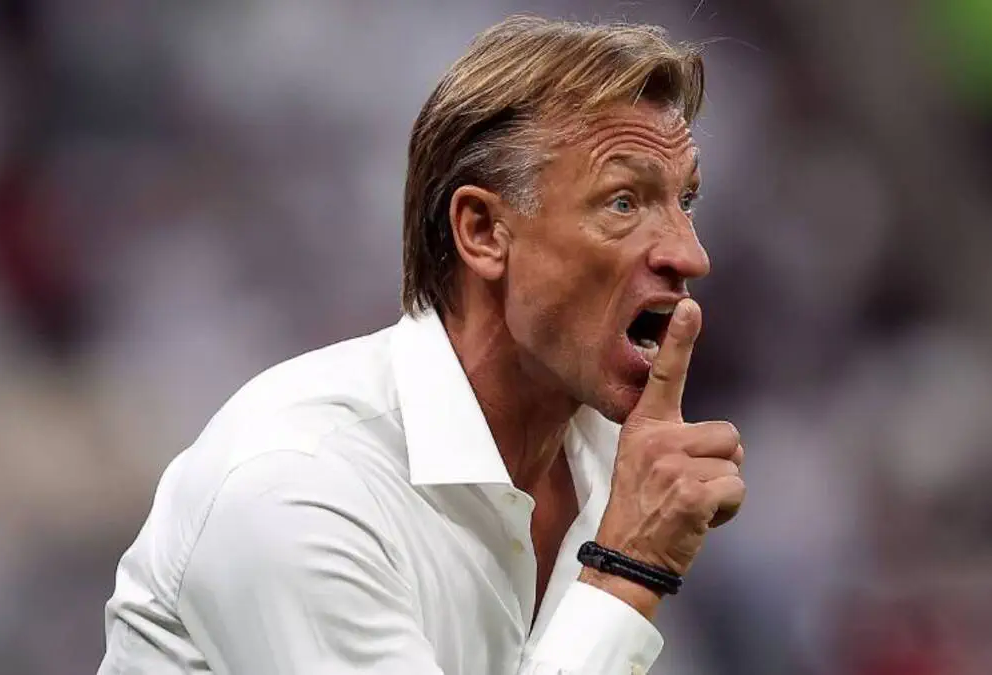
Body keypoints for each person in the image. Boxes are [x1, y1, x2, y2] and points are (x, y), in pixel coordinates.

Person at [98, 14, 745, 675]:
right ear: (483, 231)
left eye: (685, 201)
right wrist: (627, 571)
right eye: (624, 203)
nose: (689, 254)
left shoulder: (622, 471)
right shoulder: (295, 482)